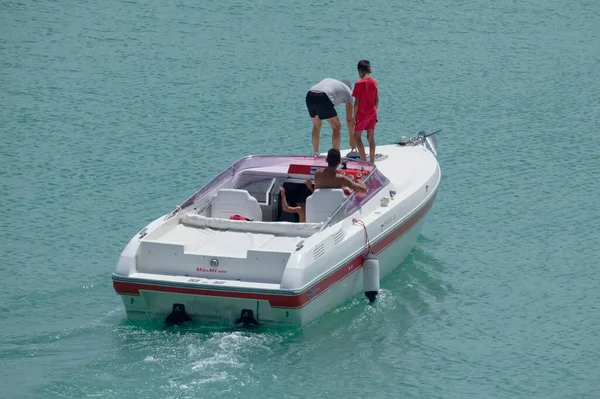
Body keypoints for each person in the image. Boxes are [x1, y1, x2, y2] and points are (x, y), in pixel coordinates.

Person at [306, 78, 355, 156]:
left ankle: (316, 153)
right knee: (337, 127)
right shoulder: (349, 93)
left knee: (316, 126)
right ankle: (336, 156)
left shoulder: (332, 82)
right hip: (323, 96)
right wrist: (352, 139)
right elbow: (349, 120)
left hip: (310, 95)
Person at [352, 60, 379, 163]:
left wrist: (354, 116)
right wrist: (374, 110)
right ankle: (372, 161)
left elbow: (356, 102)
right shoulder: (374, 81)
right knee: (371, 137)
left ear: (360, 70)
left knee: (357, 137)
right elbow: (376, 99)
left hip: (362, 114)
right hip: (372, 112)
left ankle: (363, 160)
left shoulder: (359, 83)